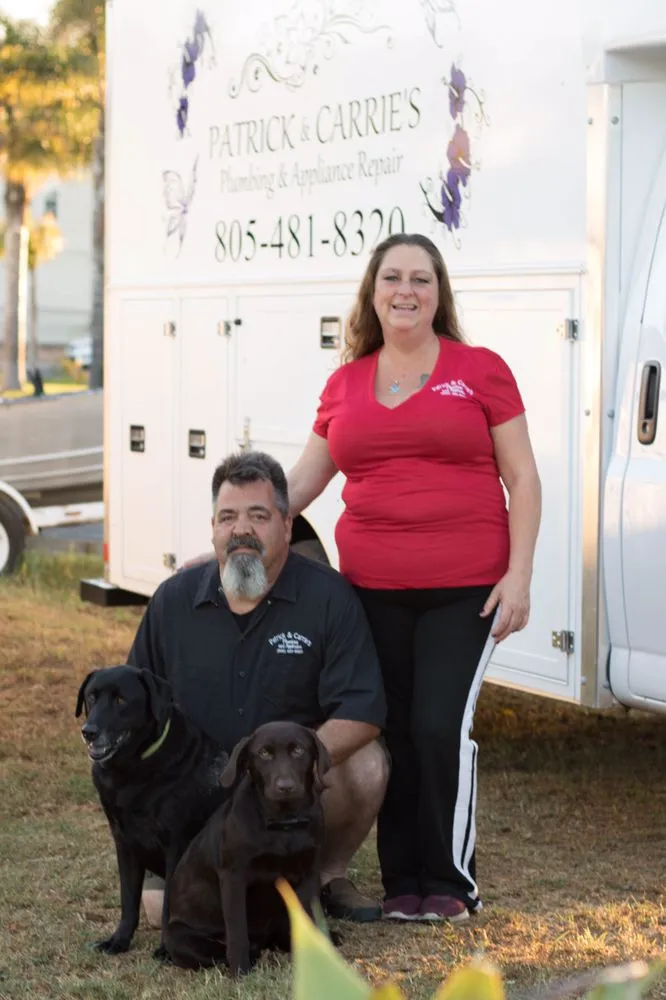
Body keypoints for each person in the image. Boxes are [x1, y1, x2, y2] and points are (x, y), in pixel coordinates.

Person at [287, 233, 542, 923]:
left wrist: (518, 576)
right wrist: (243, 526)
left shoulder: (480, 370)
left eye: (421, 279)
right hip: (369, 593)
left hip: (467, 589)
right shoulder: (345, 384)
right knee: (391, 731)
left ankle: (452, 883)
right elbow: (304, 482)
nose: (406, 290)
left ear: (438, 293)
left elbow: (523, 478)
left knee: (437, 727)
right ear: (372, 293)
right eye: (392, 278)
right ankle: (404, 885)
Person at [127, 451, 388, 925]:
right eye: (228, 517)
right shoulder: (172, 601)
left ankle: (325, 874)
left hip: (288, 787)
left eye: (258, 516)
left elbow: (363, 712)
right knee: (162, 915)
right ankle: (216, 875)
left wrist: (281, 770)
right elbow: (135, 710)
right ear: (213, 528)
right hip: (197, 798)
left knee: (367, 765)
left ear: (287, 526)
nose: (241, 530)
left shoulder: (329, 597)